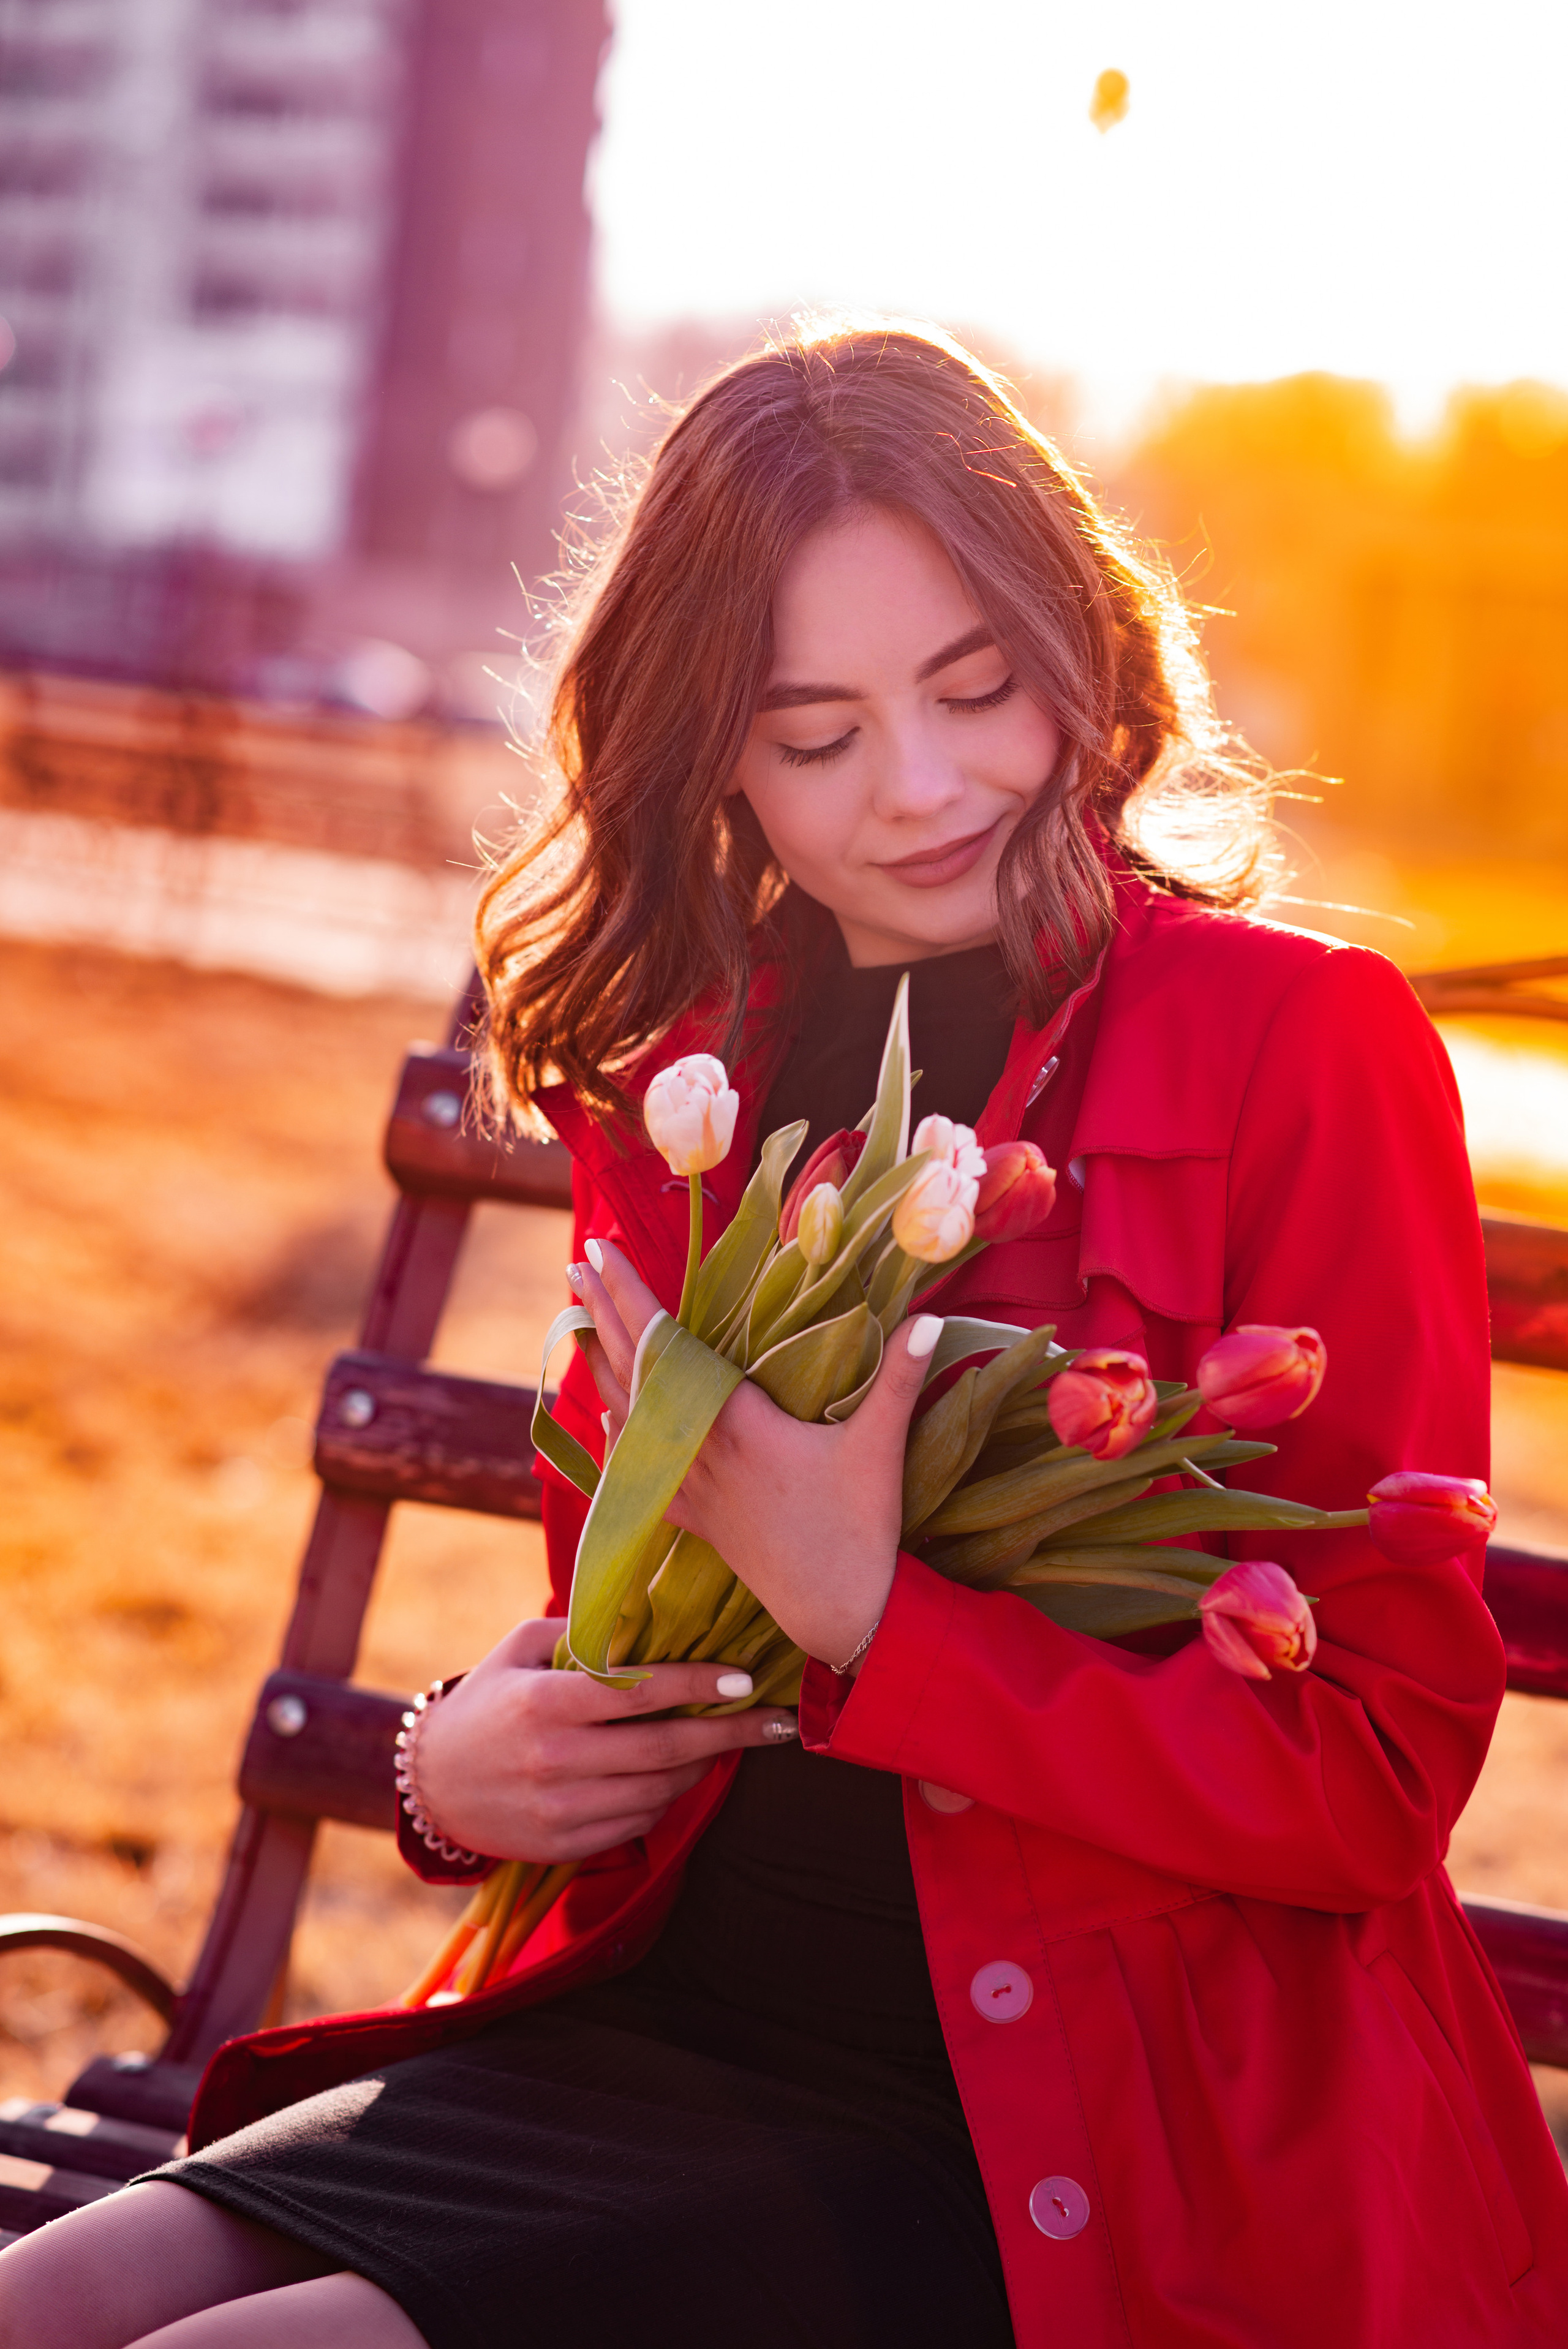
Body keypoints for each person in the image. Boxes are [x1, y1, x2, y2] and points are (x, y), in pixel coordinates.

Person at [4, 322, 1566, 2349]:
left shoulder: (1298, 1047)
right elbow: (629, 1635)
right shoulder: (693, 1079)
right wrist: (453, 1759)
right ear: (710, 754)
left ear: (1080, 642)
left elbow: (1372, 1776)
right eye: (813, 733)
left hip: (1067, 2137)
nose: (919, 788)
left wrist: (880, 1617)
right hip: (655, 2028)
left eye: (977, 687)